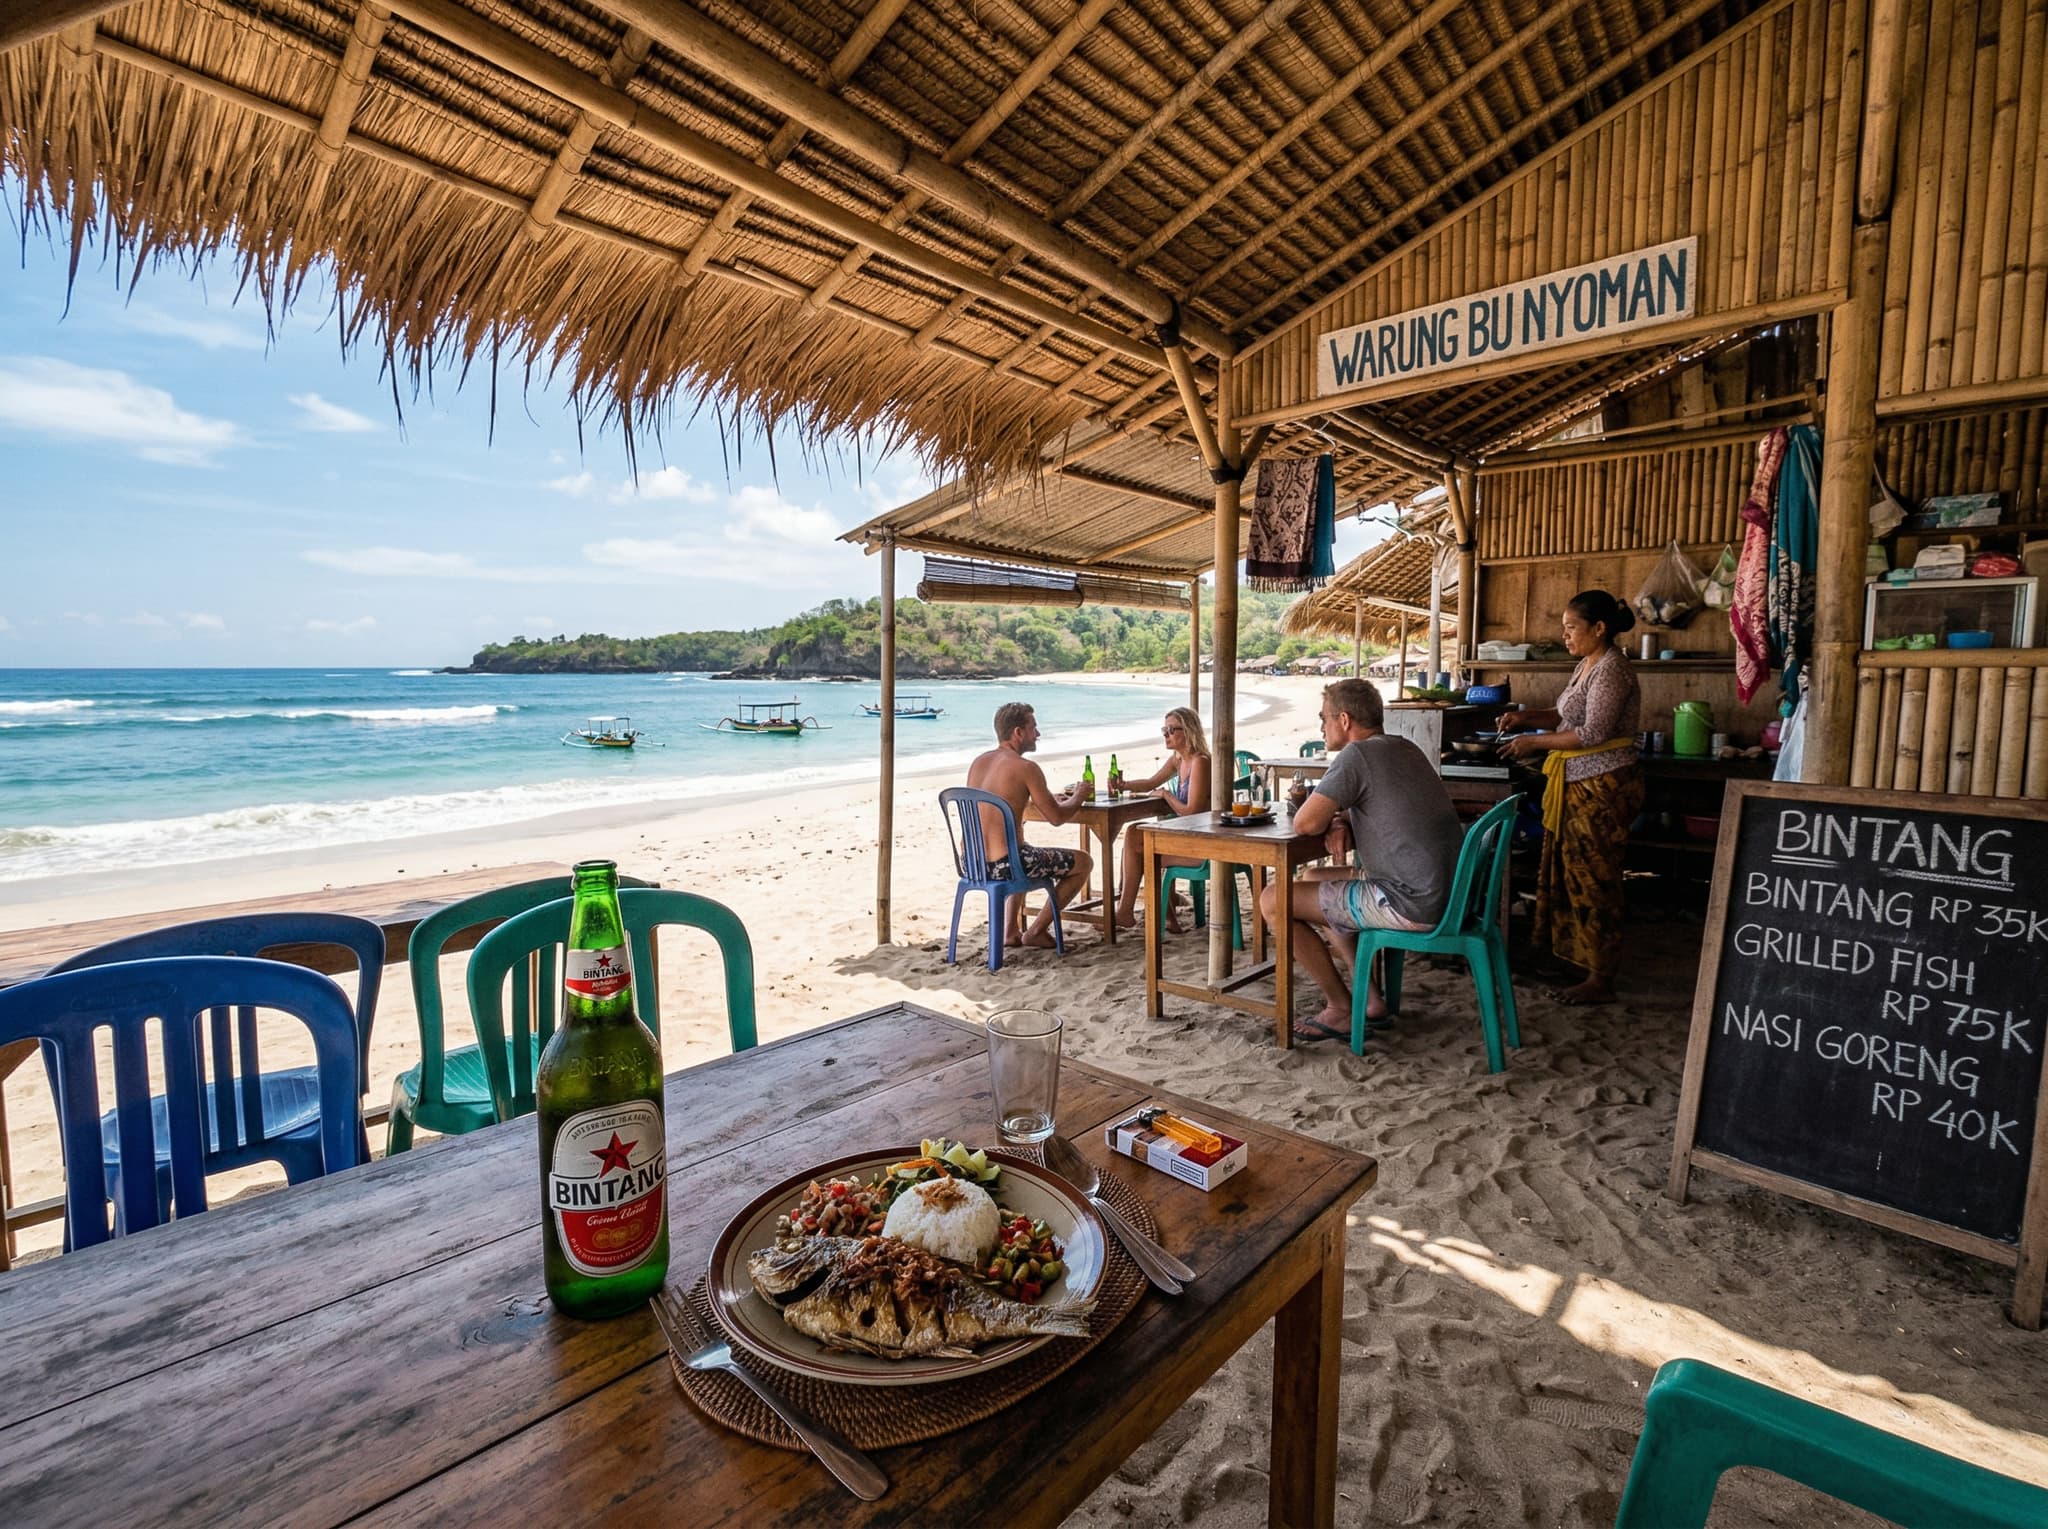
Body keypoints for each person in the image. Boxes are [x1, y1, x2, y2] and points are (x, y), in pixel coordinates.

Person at [1259, 678, 1463, 1044]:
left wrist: (1331, 817)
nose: (1321, 727)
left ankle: (1339, 1007)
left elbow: (1306, 822)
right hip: (1449, 892)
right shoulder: (1404, 748)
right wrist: (1342, 819)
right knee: (1315, 875)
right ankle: (1370, 1000)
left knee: (1273, 899)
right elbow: (1379, 804)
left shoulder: (1357, 755)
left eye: (1324, 719)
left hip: (1409, 901)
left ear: (1345, 720)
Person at [1496, 588, 1642, 1005]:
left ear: (1599, 628)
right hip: (1580, 781)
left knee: (1596, 878)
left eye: (1572, 628)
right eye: (1563, 629)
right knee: (1573, 873)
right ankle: (1578, 960)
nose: (1566, 636)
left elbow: (1593, 732)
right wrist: (1528, 717)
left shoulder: (1612, 669)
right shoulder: (1587, 665)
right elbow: (1568, 716)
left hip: (1604, 785)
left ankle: (1601, 977)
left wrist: (1534, 743)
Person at [964, 701, 1094, 950]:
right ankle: (1036, 930)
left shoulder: (979, 763)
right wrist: (1079, 795)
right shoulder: (1026, 768)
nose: (1038, 733)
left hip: (972, 862)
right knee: (1084, 862)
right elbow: (1056, 818)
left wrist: (1039, 799)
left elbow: (998, 804)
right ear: (1018, 732)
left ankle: (1011, 931)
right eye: (1033, 727)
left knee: (1021, 847)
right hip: (1007, 866)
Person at [1112, 707, 1215, 931]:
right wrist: (1124, 785)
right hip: (1188, 835)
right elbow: (1150, 783)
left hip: (1204, 843)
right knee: (1134, 834)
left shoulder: (1200, 761)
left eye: (1170, 730)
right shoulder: (1179, 759)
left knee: (1141, 846)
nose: (1165, 735)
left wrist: (1166, 794)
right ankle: (1151, 915)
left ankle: (1130, 912)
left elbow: (1192, 811)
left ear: (1187, 731)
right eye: (1164, 730)